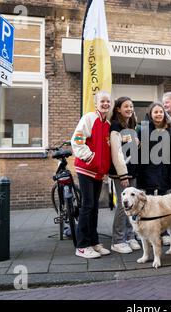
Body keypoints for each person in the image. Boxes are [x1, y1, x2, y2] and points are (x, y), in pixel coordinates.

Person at [70, 91, 112, 259]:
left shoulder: (107, 123)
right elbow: (77, 140)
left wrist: (103, 168)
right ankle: (82, 246)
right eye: (102, 101)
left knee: (94, 207)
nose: (105, 104)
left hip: (98, 173)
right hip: (86, 169)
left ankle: (93, 242)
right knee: (87, 207)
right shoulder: (89, 118)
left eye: (108, 101)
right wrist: (90, 157)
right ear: (96, 104)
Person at [137, 102, 171, 245]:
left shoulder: (170, 128)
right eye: (155, 112)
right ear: (150, 114)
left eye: (161, 112)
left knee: (163, 202)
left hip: (164, 170)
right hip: (147, 170)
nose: (159, 114)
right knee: (146, 203)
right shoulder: (143, 128)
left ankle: (162, 232)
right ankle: (146, 232)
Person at [108, 96, 142, 254]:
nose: (129, 109)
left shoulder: (131, 124)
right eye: (126, 106)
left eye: (131, 106)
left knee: (133, 205)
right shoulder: (115, 126)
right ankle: (117, 240)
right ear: (118, 109)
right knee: (123, 206)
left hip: (133, 171)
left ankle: (129, 236)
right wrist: (123, 175)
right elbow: (116, 152)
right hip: (122, 174)